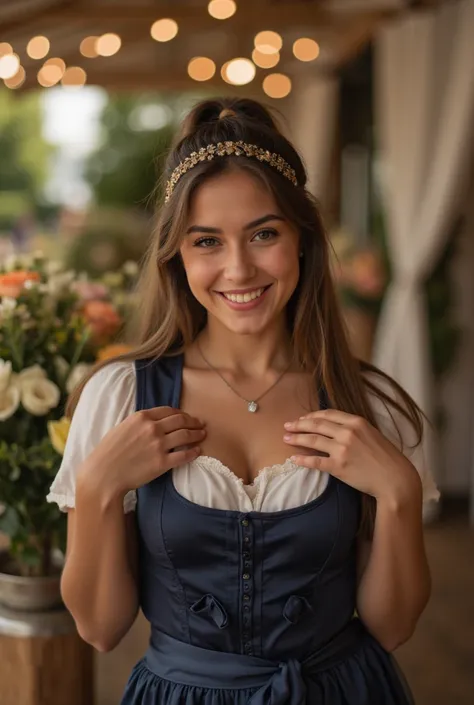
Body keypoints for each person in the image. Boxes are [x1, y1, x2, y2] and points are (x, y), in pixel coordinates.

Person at [47, 97, 440, 705]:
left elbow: (392, 627)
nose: (238, 268)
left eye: (263, 234)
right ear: (176, 255)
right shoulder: (119, 397)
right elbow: (100, 630)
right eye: (207, 241)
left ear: (302, 240)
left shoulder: (370, 403)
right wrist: (98, 488)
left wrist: (399, 495)